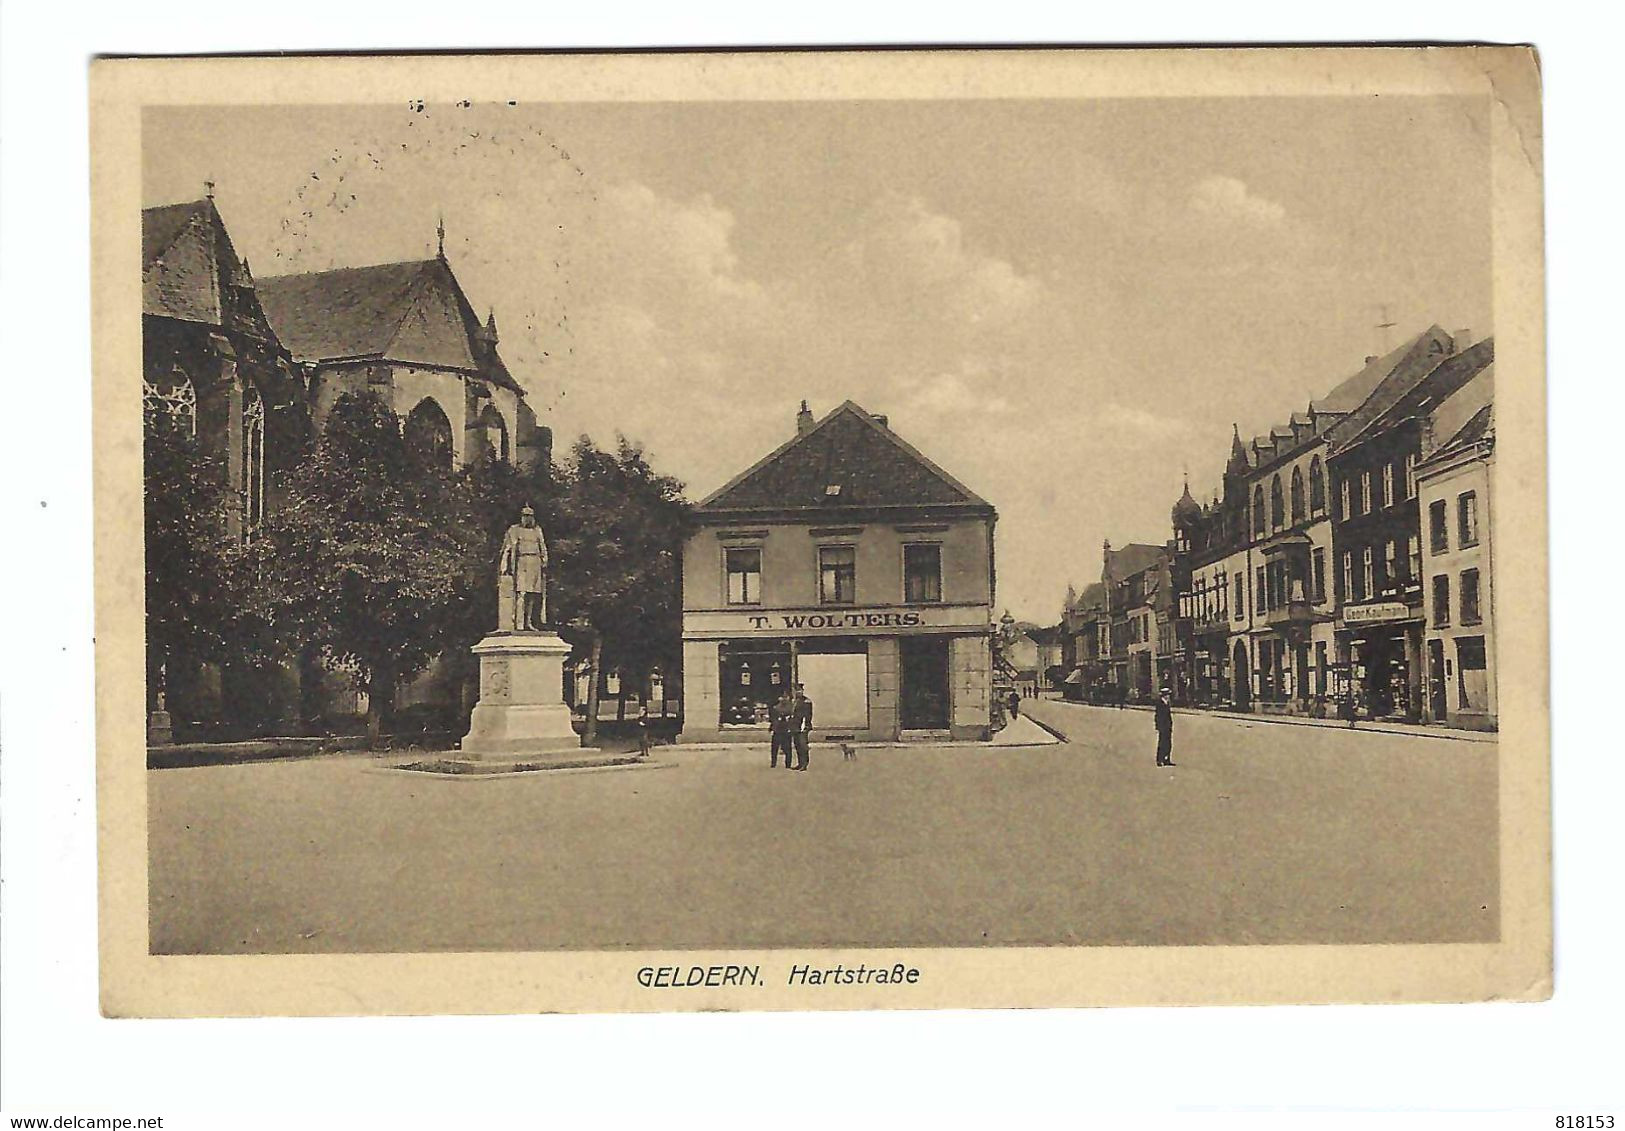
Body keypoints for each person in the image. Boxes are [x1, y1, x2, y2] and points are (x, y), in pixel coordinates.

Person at [498, 504, 549, 631]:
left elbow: (542, 545)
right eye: (525, 516)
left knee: (532, 595)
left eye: (530, 516)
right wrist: (505, 564)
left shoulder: (537, 530)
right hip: (522, 562)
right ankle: (518, 623)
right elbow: (507, 549)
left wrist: (544, 559)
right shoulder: (514, 530)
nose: (528, 519)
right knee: (521, 593)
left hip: (535, 562)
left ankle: (528, 622)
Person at [768, 687, 796, 770]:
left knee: (787, 748)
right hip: (777, 729)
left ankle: (788, 764)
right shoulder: (776, 707)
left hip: (786, 729)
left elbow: (793, 718)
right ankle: (773, 763)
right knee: (774, 747)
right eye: (782, 697)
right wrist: (772, 727)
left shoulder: (791, 707)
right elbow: (773, 719)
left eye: (785, 697)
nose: (784, 699)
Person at [791, 683, 814, 771]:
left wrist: (804, 725)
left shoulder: (806, 701)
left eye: (800, 691)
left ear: (802, 691)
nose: (798, 692)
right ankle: (800, 763)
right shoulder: (795, 701)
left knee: (803, 745)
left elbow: (808, 715)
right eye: (796, 691)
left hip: (803, 726)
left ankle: (804, 764)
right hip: (795, 726)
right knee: (797, 745)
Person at [1154, 686, 1175, 767]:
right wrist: (1158, 726)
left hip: (1168, 727)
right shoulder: (1160, 703)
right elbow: (1158, 716)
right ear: (1164, 695)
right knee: (1162, 743)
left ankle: (1167, 759)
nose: (1168, 696)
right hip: (1163, 727)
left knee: (1168, 743)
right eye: (1167, 695)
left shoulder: (1167, 703)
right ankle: (1159, 760)